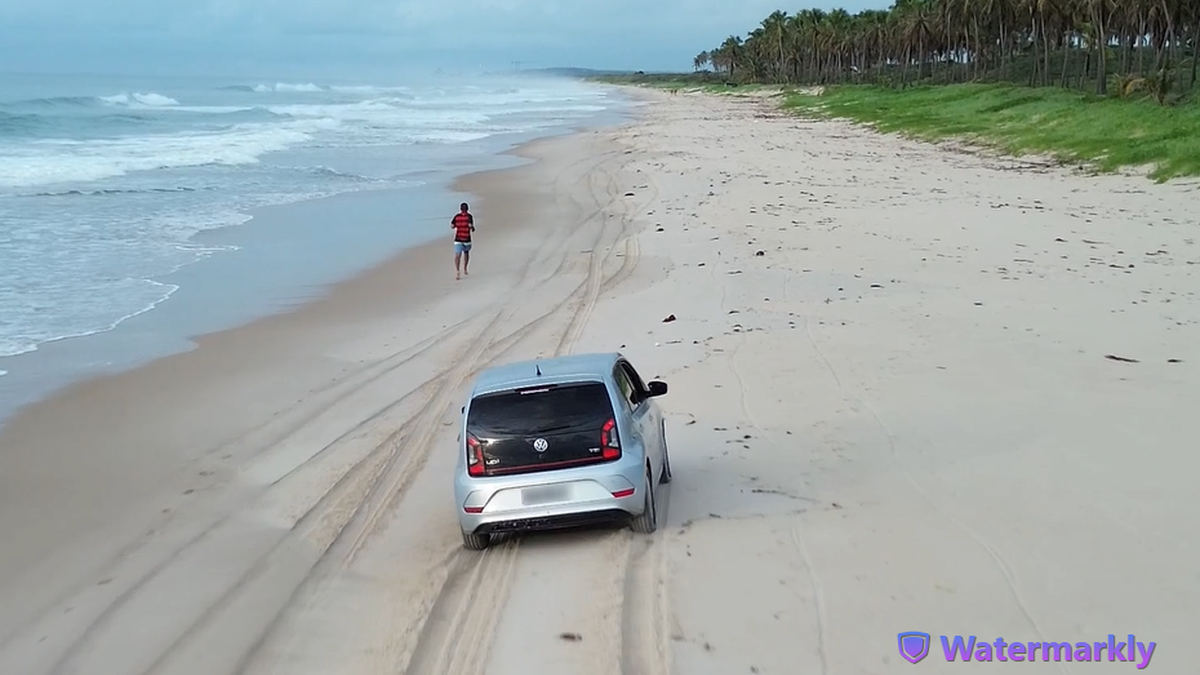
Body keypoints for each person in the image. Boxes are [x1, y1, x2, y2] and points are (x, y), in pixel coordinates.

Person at [451, 202, 475, 280]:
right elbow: (471, 227)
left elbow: (452, 225)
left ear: (460, 209)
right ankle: (464, 268)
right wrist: (472, 228)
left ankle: (458, 270)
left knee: (458, 255)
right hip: (465, 238)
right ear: (467, 209)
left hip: (459, 238)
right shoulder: (469, 216)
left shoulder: (457, 216)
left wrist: (457, 225)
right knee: (465, 253)